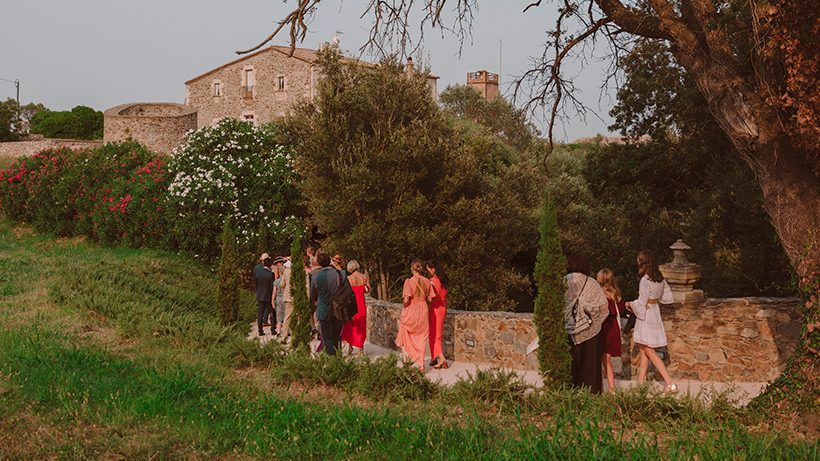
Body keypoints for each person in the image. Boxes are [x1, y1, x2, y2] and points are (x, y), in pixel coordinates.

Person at [625, 250, 678, 393]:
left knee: (649, 351)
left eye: (638, 259)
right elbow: (667, 297)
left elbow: (641, 302)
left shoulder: (645, 280)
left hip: (647, 316)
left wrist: (630, 304)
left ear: (643, 262)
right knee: (644, 351)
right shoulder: (660, 279)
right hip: (654, 313)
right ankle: (640, 385)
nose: (637, 262)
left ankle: (670, 383)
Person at [564, 254, 609, 394]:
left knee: (571, 368)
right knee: (590, 369)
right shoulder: (592, 283)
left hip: (569, 331)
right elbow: (604, 309)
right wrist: (594, 324)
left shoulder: (565, 281)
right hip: (591, 333)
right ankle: (591, 400)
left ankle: (569, 397)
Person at [395, 259, 434, 372]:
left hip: (412, 309)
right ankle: (421, 365)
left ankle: (408, 359)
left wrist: (404, 303)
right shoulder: (427, 281)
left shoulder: (409, 281)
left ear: (412, 268)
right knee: (422, 338)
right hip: (423, 309)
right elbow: (430, 298)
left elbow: (406, 300)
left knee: (405, 332)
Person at [596, 268, 625, 393]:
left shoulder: (601, 296)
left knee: (600, 360)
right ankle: (612, 389)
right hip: (614, 330)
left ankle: (600, 388)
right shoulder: (616, 295)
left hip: (605, 330)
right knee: (607, 361)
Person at [310, 252, 342, 355]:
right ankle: (338, 358)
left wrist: (312, 307)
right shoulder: (339, 274)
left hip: (324, 308)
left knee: (327, 337)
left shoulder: (316, 277)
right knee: (337, 336)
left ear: (319, 263)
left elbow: (312, 295)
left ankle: (331, 360)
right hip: (338, 309)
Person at [340, 259, 369, 355]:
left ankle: (350, 347)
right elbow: (368, 290)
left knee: (350, 326)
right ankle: (361, 348)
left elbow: (346, 293)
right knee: (361, 326)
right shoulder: (364, 277)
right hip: (361, 304)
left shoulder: (349, 278)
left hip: (351, 305)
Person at [426, 259, 449, 369]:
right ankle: (435, 357)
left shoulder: (433, 281)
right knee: (437, 334)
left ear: (433, 269)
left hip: (435, 309)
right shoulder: (443, 280)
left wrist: (428, 299)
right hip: (443, 308)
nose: (428, 272)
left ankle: (441, 358)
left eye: (429, 269)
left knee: (435, 335)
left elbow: (432, 298)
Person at [253, 253, 275, 337]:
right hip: (268, 296)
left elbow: (255, 282)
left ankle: (260, 330)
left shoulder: (258, 272)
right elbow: (272, 286)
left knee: (260, 314)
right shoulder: (270, 274)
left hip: (260, 295)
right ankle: (273, 330)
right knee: (272, 313)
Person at [279, 257, 294, 343]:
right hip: (298, 296)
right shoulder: (301, 271)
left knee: (287, 318)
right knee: (299, 317)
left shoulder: (286, 271)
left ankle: (284, 337)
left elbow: (282, 284)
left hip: (288, 296)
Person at [272, 257, 286, 336]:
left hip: (278, 298)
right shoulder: (286, 281)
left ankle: (278, 331)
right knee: (285, 315)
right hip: (284, 298)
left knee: (279, 315)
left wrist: (272, 301)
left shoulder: (276, 281)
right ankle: (285, 331)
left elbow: (274, 292)